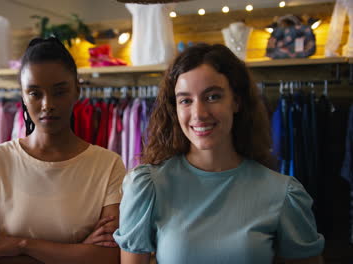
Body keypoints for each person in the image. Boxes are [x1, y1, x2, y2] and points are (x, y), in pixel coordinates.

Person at [113, 43, 324, 264]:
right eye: (186, 100)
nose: (199, 114)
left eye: (212, 97)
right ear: (174, 108)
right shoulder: (148, 187)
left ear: (236, 101)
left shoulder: (283, 193)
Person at [0, 37, 125, 264]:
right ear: (22, 95)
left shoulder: (108, 165)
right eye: (35, 93)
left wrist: (20, 245)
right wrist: (78, 251)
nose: (47, 104)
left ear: (77, 91)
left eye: (59, 92)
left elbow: (109, 257)